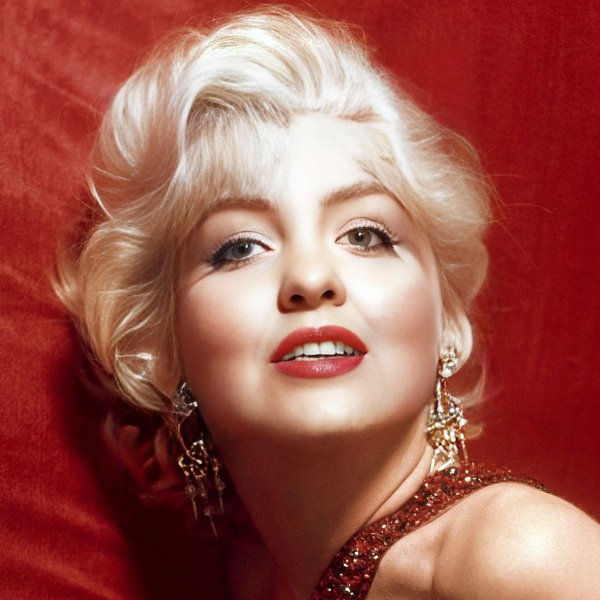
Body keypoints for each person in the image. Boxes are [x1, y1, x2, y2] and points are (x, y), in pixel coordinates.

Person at [57, 7, 600, 599]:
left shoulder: (517, 556)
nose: (312, 278)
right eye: (240, 247)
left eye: (365, 235)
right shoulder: (250, 579)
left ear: (446, 320)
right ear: (164, 348)